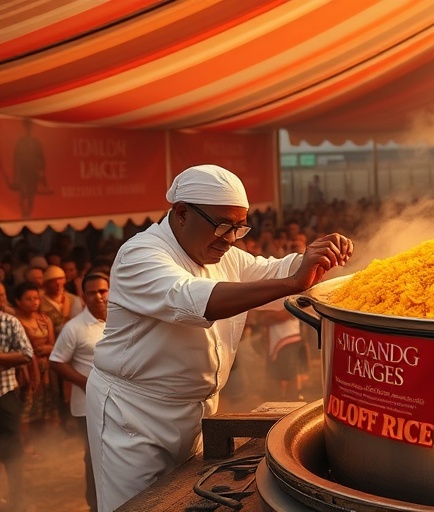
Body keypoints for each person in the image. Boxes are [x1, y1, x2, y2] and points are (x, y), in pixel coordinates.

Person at [85, 164, 353, 512]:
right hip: (134, 415)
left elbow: (273, 273)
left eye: (239, 228)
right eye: (223, 225)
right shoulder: (141, 255)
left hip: (197, 410)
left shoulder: (227, 257)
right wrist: (293, 282)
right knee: (136, 505)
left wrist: (316, 259)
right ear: (182, 213)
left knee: (181, 497)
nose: (230, 238)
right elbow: (194, 299)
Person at [49, 272, 108, 512]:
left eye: (103, 291)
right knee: (94, 455)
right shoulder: (74, 327)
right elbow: (56, 361)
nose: (98, 297)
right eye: (92, 293)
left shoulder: (119, 320)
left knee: (116, 454)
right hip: (87, 406)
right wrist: (87, 384)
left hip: (118, 401)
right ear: (83, 296)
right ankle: (95, 505)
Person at [11, 281, 57, 455]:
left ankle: (43, 441)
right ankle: (25, 445)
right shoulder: (14, 322)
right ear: (18, 301)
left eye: (36, 298)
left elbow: (53, 345)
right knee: (26, 408)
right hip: (25, 372)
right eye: (28, 299)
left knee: (45, 405)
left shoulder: (44, 320)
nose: (34, 302)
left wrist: (46, 348)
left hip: (46, 370)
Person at [0, 308, 34, 512]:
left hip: (5, 394)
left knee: (13, 451)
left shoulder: (9, 322)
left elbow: (26, 354)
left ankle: (16, 501)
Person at [12, 118, 47, 219]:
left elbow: (41, 158)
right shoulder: (21, 142)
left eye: (30, 126)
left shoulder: (36, 142)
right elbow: (16, 159)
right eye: (27, 126)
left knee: (31, 194)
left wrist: (42, 172)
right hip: (23, 171)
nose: (29, 128)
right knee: (23, 193)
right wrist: (16, 175)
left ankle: (29, 214)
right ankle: (24, 212)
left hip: (33, 171)